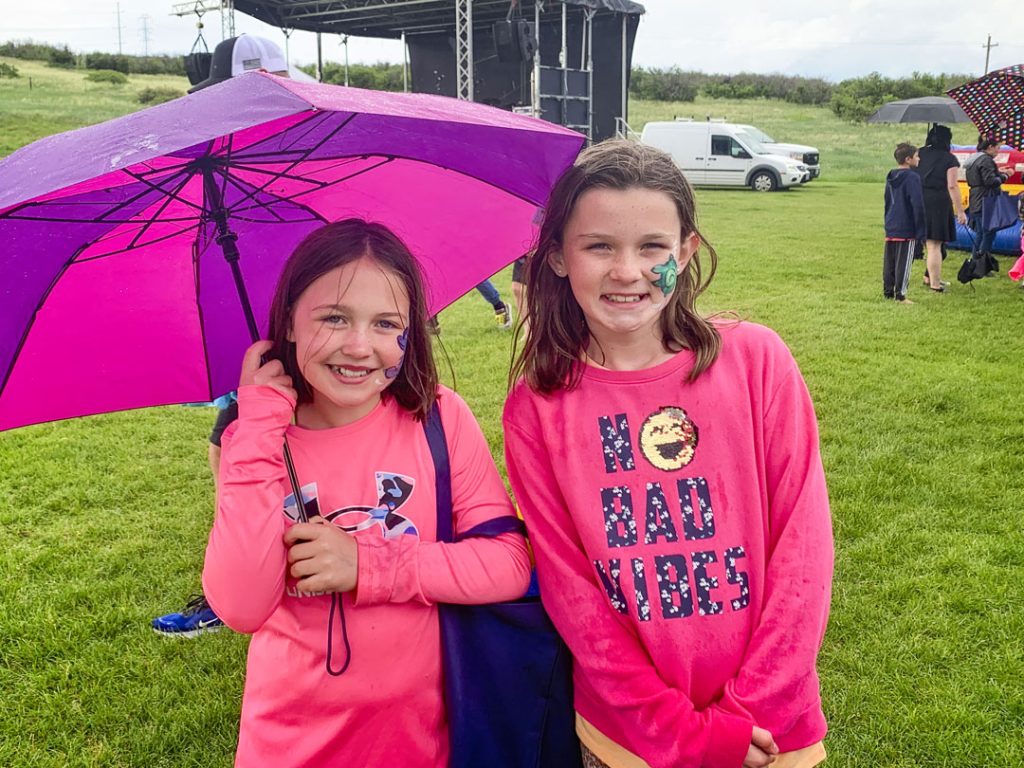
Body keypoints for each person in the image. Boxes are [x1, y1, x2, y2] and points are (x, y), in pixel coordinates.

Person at [503, 139, 833, 768]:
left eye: (651, 247)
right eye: (599, 245)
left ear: (684, 253)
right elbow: (575, 598)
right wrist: (683, 734)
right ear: (558, 258)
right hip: (631, 741)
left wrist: (746, 716)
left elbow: (804, 553)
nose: (626, 271)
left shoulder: (756, 362)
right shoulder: (537, 408)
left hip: (772, 734)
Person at [203, 219, 531, 767]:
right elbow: (239, 606)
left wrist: (368, 565)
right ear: (287, 319)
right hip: (289, 747)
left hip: (427, 744)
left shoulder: (438, 417)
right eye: (334, 318)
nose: (360, 347)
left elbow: (508, 563)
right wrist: (257, 426)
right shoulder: (256, 441)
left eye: (386, 324)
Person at [153, 32, 297, 636]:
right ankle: (245, 564)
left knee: (262, 458)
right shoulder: (231, 167)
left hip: (299, 340)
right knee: (228, 446)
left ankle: (263, 568)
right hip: (265, 343)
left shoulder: (286, 160)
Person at [150, 393, 236, 636]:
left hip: (273, 377)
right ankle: (224, 598)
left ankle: (227, 601)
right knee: (223, 450)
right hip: (249, 380)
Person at [915, 124, 967, 292]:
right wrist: (960, 211)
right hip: (938, 201)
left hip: (919, 199)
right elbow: (952, 186)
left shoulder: (920, 153)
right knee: (935, 244)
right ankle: (935, 284)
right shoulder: (949, 159)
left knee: (928, 243)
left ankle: (928, 276)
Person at [883, 142, 927, 304]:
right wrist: (921, 230)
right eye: (916, 156)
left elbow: (887, 201)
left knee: (890, 261)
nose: (919, 159)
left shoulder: (890, 176)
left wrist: (888, 221)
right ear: (908, 159)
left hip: (892, 223)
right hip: (907, 226)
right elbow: (917, 204)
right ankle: (900, 295)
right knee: (904, 261)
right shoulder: (913, 178)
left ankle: (888, 291)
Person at [965, 136, 1010, 276]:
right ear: (990, 147)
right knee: (988, 233)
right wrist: (1005, 176)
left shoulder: (974, 158)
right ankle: (982, 266)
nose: (998, 150)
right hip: (986, 200)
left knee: (980, 233)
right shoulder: (986, 160)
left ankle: (975, 263)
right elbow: (990, 181)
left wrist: (998, 173)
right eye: (997, 147)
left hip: (976, 199)